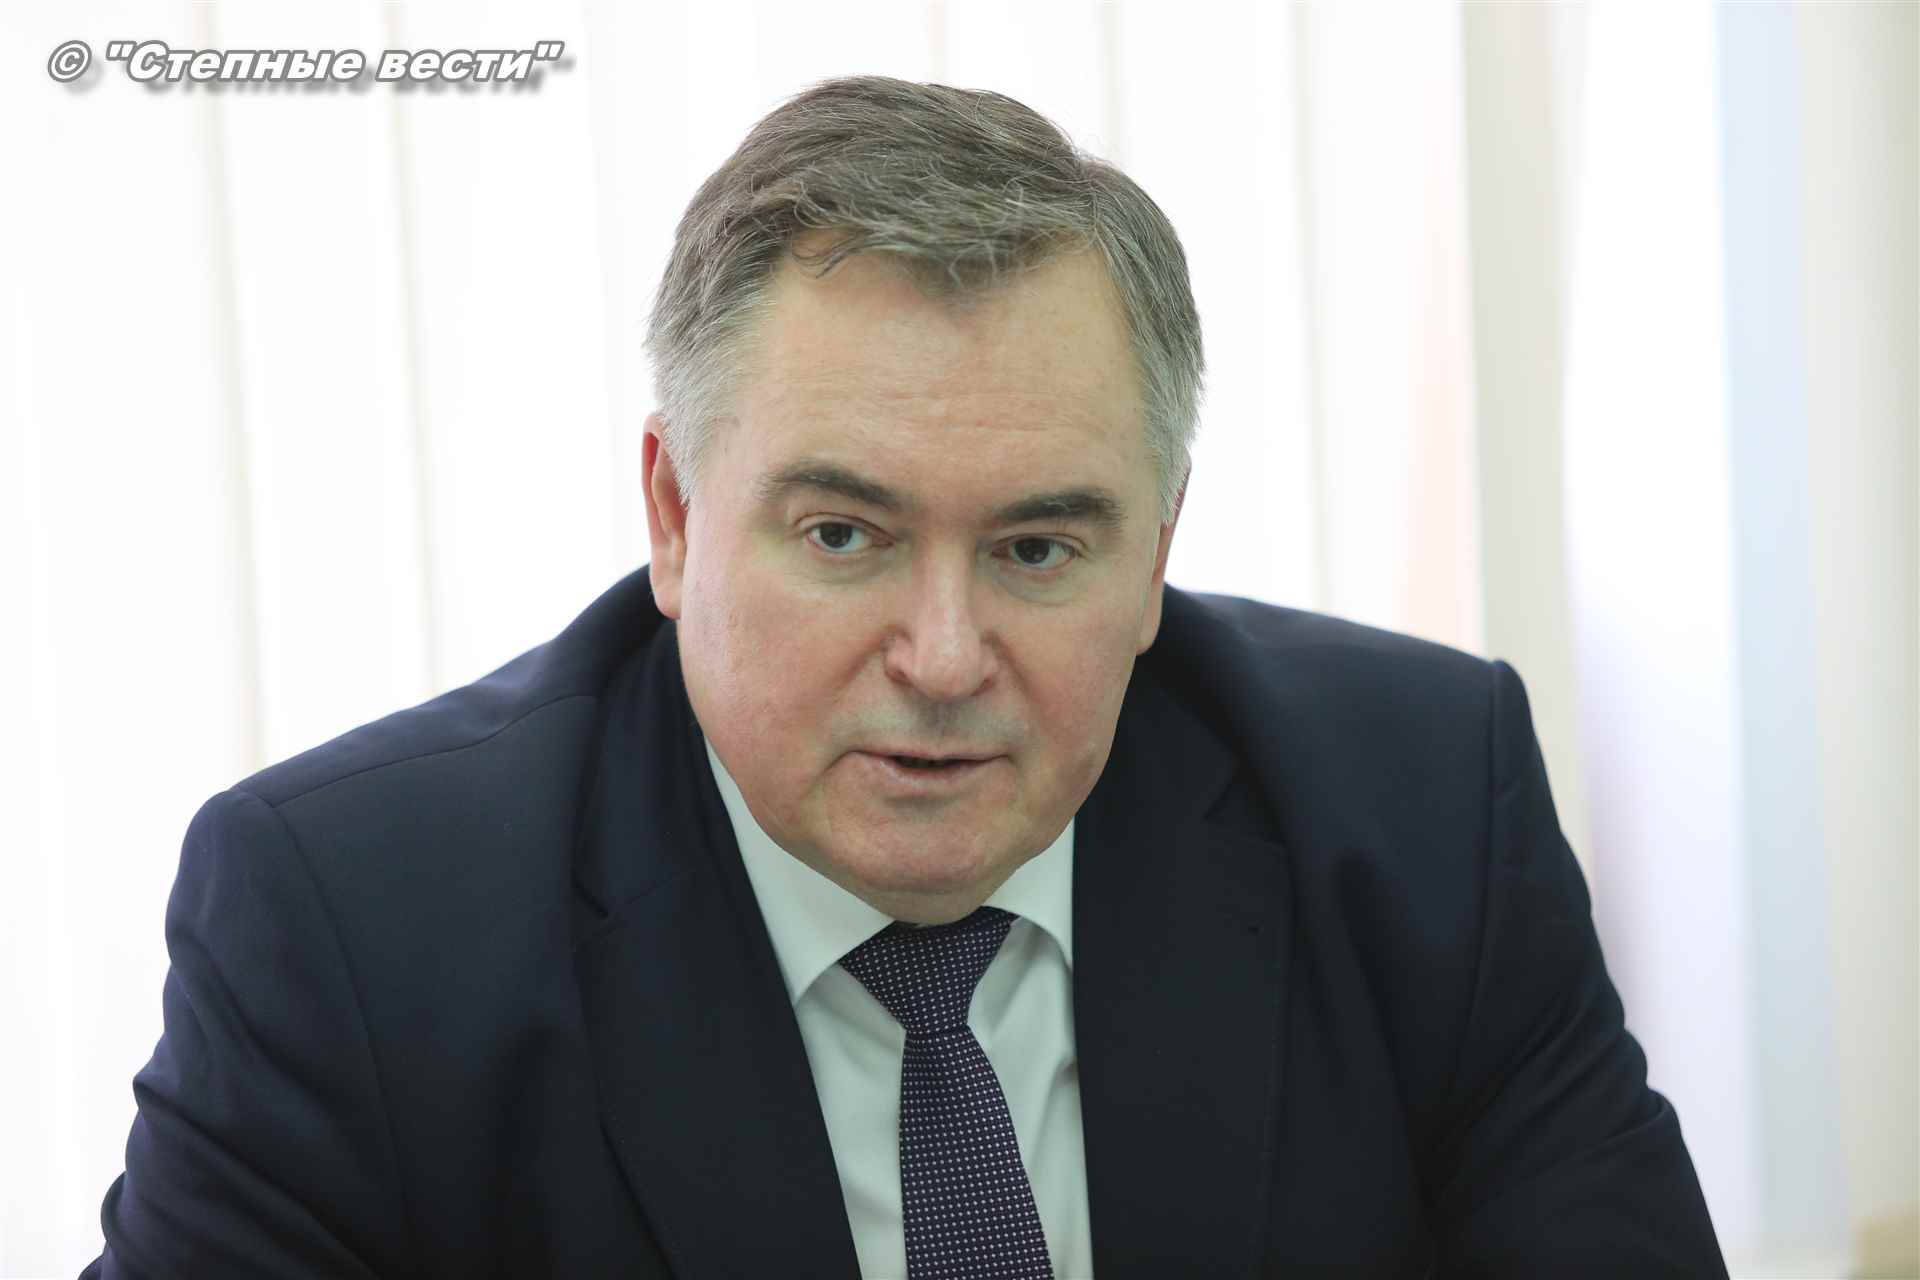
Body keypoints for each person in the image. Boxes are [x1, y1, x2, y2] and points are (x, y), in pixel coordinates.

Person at [84, 75, 1726, 1279]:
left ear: (1158, 551)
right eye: (845, 535)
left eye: (1038, 549)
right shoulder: (353, 928)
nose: (943, 660)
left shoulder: (1423, 811)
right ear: (674, 517)